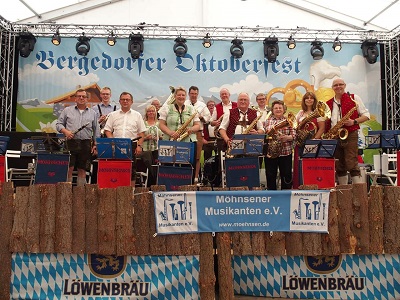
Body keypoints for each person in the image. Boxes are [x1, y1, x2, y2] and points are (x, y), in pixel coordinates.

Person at [325, 78, 370, 184]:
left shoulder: (354, 98)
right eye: (335, 85)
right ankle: (343, 192)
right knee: (339, 165)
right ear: (332, 88)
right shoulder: (328, 103)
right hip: (335, 135)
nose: (338, 86)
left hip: (350, 134)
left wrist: (354, 121)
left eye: (341, 84)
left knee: (351, 162)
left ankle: (359, 192)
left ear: (345, 85)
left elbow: (366, 116)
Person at [56, 89, 100, 186]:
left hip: (86, 143)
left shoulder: (92, 113)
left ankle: (80, 194)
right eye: (79, 96)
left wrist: (95, 144)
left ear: (87, 99)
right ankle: (66, 193)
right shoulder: (67, 110)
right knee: (69, 168)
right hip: (70, 142)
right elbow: (59, 124)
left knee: (82, 168)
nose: (81, 98)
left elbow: (96, 130)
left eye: (83, 96)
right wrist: (66, 132)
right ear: (75, 98)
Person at [103, 92, 146, 186]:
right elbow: (107, 130)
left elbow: (142, 132)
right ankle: (114, 191)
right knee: (115, 169)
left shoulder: (137, 115)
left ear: (132, 102)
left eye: (127, 99)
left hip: (131, 145)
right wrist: (112, 141)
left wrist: (139, 146)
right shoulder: (113, 115)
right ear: (119, 101)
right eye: (123, 99)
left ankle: (130, 194)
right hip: (115, 145)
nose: (125, 101)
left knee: (131, 170)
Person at [158, 87, 200, 182]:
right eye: (179, 95)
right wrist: (170, 132)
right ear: (175, 96)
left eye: (183, 95)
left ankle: (186, 185)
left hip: (188, 141)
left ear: (186, 97)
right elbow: (161, 124)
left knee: (187, 166)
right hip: (170, 141)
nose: (181, 97)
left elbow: (198, 125)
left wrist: (191, 129)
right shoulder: (166, 108)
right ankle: (169, 185)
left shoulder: (191, 109)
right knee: (168, 165)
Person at [293, 92, 326, 189]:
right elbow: (295, 126)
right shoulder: (300, 113)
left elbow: (321, 129)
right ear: (304, 100)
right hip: (301, 143)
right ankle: (299, 186)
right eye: (307, 98)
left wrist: (314, 141)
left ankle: (313, 185)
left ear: (314, 100)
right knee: (299, 166)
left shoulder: (318, 112)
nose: (309, 100)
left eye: (311, 98)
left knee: (312, 166)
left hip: (313, 143)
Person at [264, 100, 296, 190]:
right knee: (270, 175)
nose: (278, 109)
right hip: (271, 153)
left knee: (286, 175)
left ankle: (286, 197)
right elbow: (267, 132)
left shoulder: (289, 120)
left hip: (285, 152)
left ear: (284, 109)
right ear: (272, 110)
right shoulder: (267, 121)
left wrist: (287, 137)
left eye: (280, 108)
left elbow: (294, 135)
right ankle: (271, 196)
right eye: (276, 108)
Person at [185, 86, 211, 183]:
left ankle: (196, 178)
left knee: (197, 156)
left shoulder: (202, 105)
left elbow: (208, 118)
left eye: (195, 94)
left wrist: (201, 117)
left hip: (198, 133)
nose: (194, 95)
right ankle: (186, 177)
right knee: (185, 155)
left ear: (197, 94)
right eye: (192, 94)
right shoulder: (184, 103)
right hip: (186, 132)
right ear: (189, 94)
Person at [141, 104, 163, 186]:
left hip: (156, 148)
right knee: (148, 162)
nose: (151, 113)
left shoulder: (159, 123)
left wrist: (158, 137)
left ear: (155, 112)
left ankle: (155, 181)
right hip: (146, 148)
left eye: (152, 111)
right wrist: (146, 137)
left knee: (156, 164)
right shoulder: (143, 123)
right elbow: (139, 136)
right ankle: (151, 181)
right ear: (146, 113)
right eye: (149, 111)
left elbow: (163, 136)